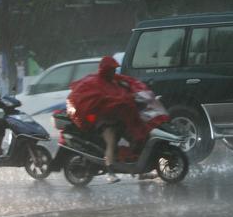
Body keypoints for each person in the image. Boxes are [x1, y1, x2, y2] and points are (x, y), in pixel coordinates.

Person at [67, 56, 169, 184]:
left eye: (115, 70)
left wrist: (137, 94)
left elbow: (129, 86)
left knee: (139, 138)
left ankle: (140, 171)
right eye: (112, 69)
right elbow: (103, 100)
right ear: (105, 70)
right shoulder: (96, 83)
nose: (114, 72)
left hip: (120, 119)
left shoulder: (115, 81)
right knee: (111, 142)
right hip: (104, 122)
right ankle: (110, 172)